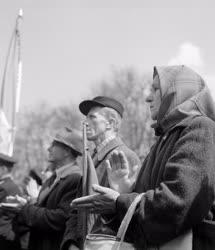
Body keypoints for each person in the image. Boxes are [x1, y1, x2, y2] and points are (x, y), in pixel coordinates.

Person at [71, 65, 215, 250]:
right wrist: (123, 189)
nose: (148, 97)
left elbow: (179, 203)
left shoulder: (200, 127)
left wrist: (118, 202)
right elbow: (144, 213)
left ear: (177, 92)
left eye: (156, 89)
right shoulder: (164, 139)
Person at [62, 96, 141, 250]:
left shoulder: (125, 156)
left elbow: (130, 212)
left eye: (92, 117)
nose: (85, 122)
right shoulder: (92, 158)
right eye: (85, 117)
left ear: (110, 123)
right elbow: (77, 208)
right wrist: (71, 242)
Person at [11, 127, 83, 250]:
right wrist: (27, 203)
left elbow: (60, 219)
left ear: (66, 151)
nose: (48, 149)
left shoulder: (75, 179)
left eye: (54, 145)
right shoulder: (53, 178)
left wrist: (25, 209)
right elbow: (45, 208)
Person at [0, 153, 22, 250]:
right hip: (9, 236)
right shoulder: (12, 185)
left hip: (3, 236)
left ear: (3, 169)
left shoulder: (3, 187)